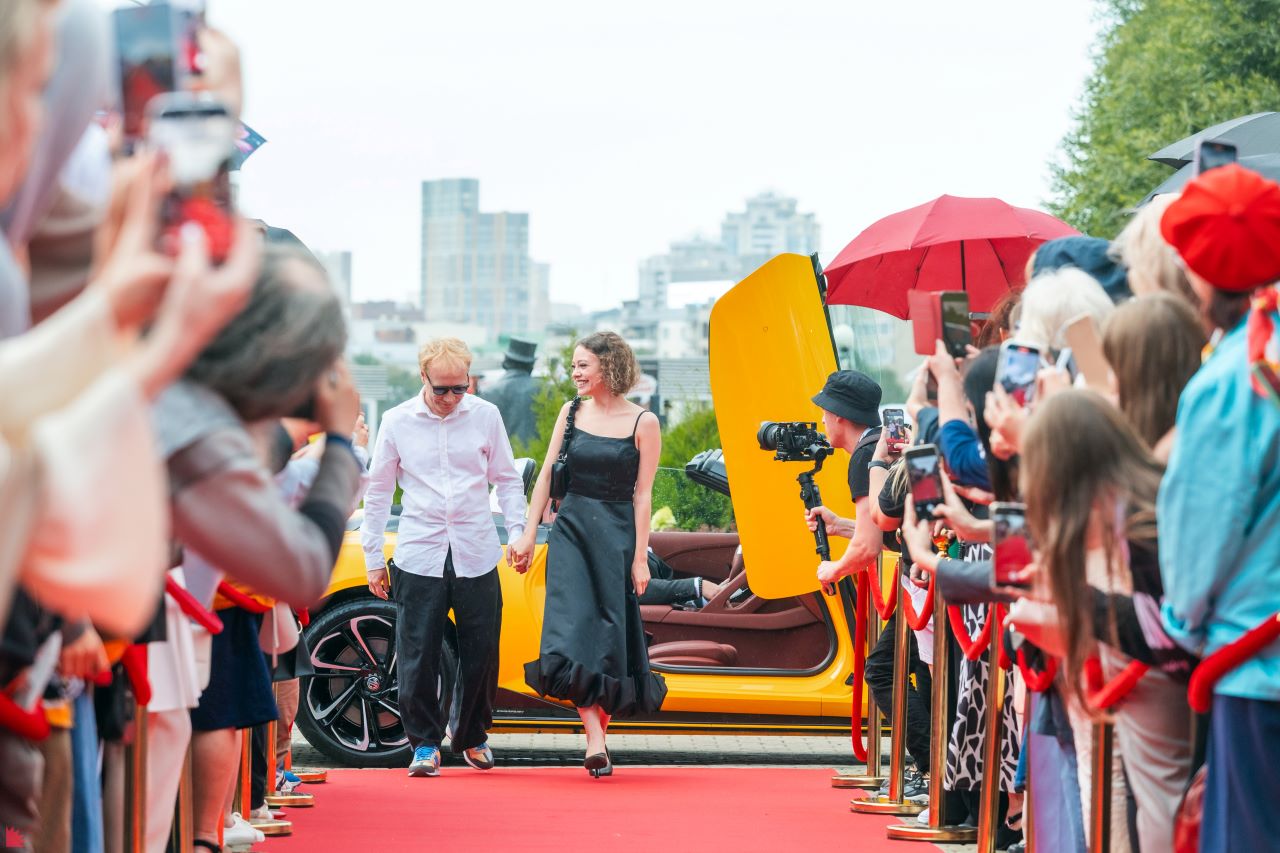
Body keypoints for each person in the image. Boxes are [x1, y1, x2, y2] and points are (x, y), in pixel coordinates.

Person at [1154, 163, 1280, 853]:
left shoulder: (1228, 379)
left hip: (1254, 662)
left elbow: (1200, 534)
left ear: (1198, 276)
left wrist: (1181, 620)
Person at [362, 337, 528, 778]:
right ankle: (423, 744)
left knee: (481, 651)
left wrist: (517, 532)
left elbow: (507, 479)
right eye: (442, 389)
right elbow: (378, 493)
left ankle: (471, 736)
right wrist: (373, 557)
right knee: (418, 653)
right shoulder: (396, 421)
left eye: (461, 387)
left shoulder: (486, 415)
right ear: (423, 377)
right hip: (419, 551)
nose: (452, 398)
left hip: (477, 549)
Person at [512, 331, 666, 777]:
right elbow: (546, 476)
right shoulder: (571, 411)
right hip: (571, 534)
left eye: (583, 365)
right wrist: (528, 533)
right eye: (574, 366)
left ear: (608, 366)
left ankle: (600, 734)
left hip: (616, 538)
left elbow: (643, 495)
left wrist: (640, 558)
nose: (575, 373)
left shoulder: (644, 422)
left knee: (610, 642)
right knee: (569, 634)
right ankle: (594, 736)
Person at [802, 370, 884, 586]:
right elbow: (888, 533)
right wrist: (839, 525)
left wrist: (834, 570)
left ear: (839, 415)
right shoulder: (880, 444)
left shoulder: (864, 456)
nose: (822, 420)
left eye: (824, 412)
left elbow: (868, 546)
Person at [479, 337, 540, 443]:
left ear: (506, 361)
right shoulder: (546, 389)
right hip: (541, 451)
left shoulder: (490, 393)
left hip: (503, 452)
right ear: (531, 365)